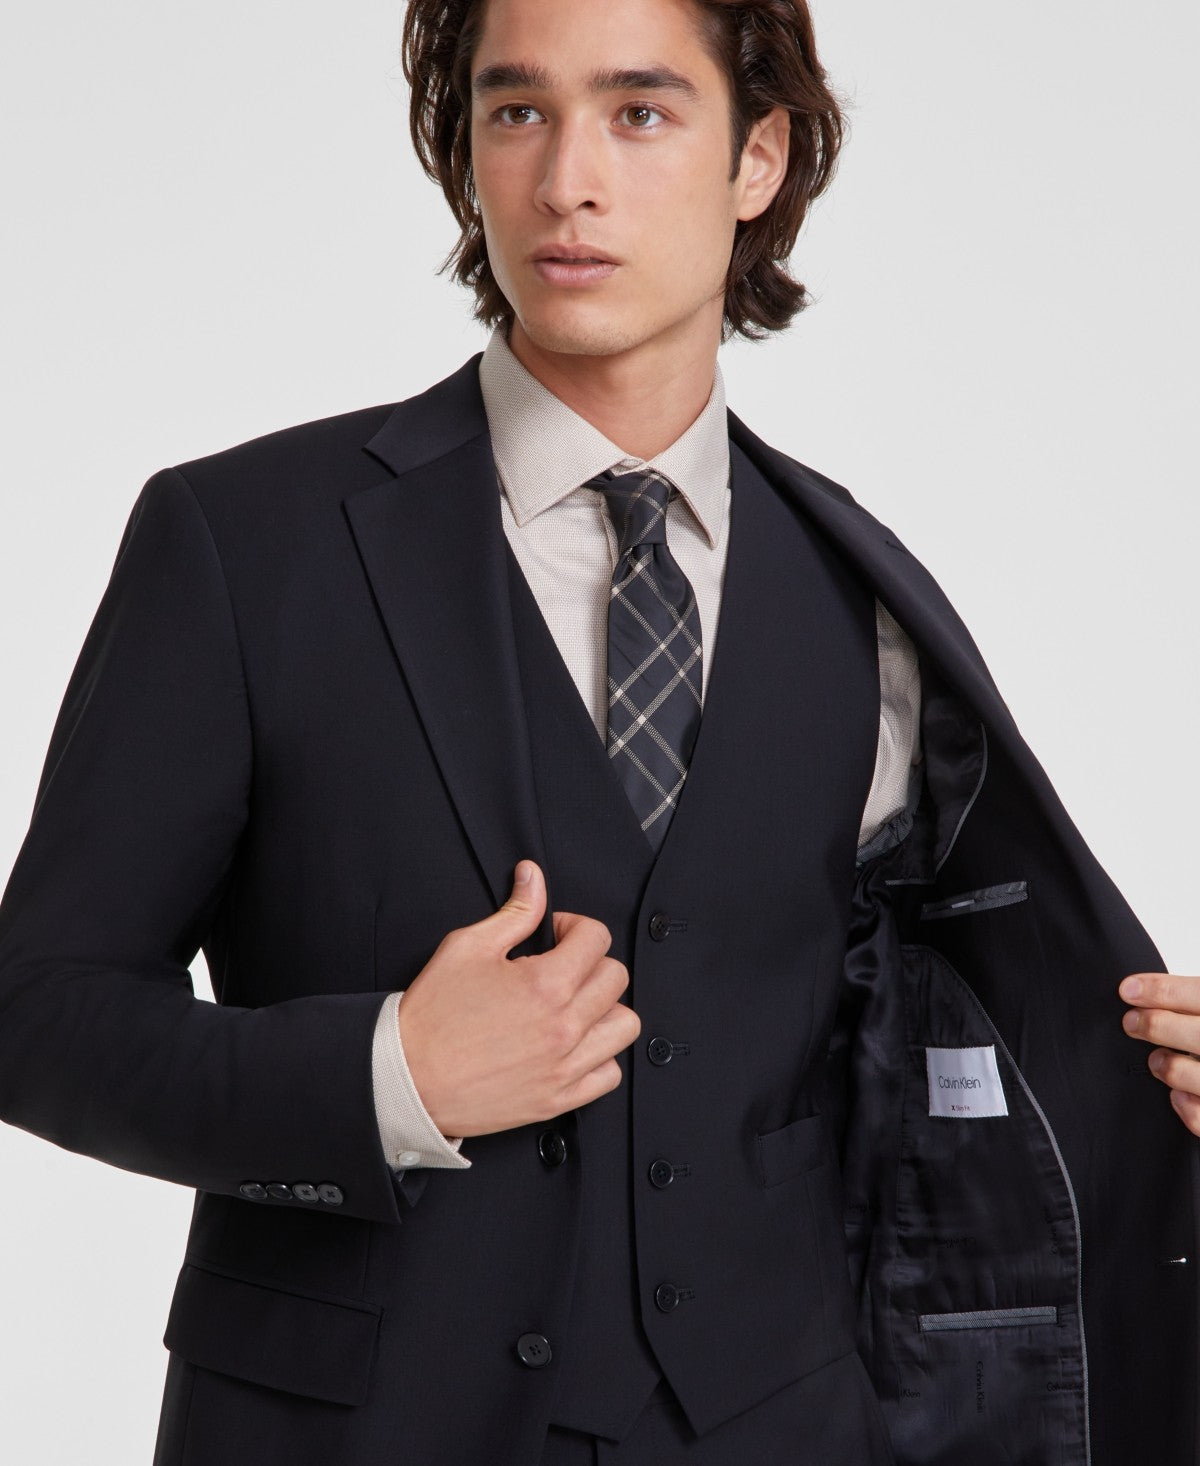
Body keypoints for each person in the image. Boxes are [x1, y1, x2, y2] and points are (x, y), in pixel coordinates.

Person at [0, 0, 1195, 1462]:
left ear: (758, 157)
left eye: (639, 113)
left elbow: (946, 1053)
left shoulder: (863, 594)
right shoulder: (246, 544)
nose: (568, 180)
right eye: (518, 111)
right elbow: (36, 1014)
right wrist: (388, 1077)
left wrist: (1155, 1104)